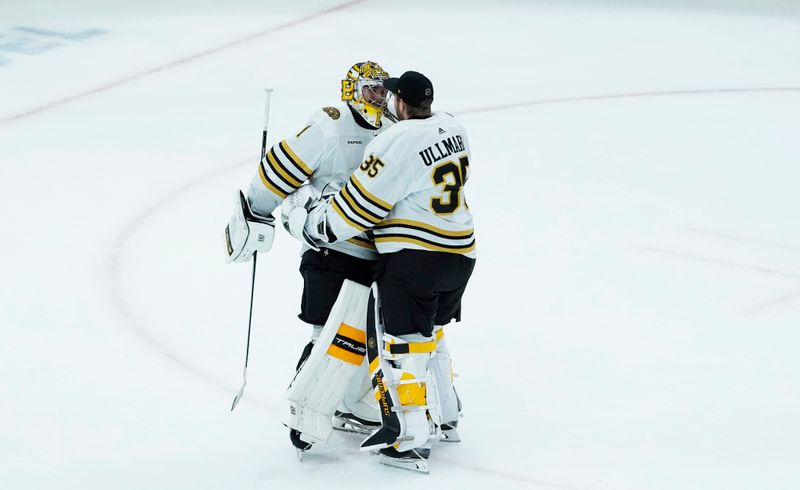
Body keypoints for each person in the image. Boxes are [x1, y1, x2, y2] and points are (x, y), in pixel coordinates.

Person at [289, 70, 476, 473]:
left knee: (404, 344)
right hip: (461, 254)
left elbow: (361, 206)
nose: (385, 100)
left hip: (417, 258)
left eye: (390, 95)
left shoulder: (395, 140)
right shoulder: (452, 125)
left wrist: (312, 224)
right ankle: (445, 415)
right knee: (433, 336)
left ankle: (408, 437)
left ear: (402, 104)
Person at [224, 61, 393, 451]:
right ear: (352, 90)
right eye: (371, 89)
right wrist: (255, 209)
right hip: (327, 249)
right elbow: (282, 167)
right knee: (326, 332)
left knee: (364, 334)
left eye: (382, 90)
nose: (378, 97)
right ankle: (304, 411)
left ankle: (351, 402)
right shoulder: (330, 125)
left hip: (373, 252)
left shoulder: (390, 132)